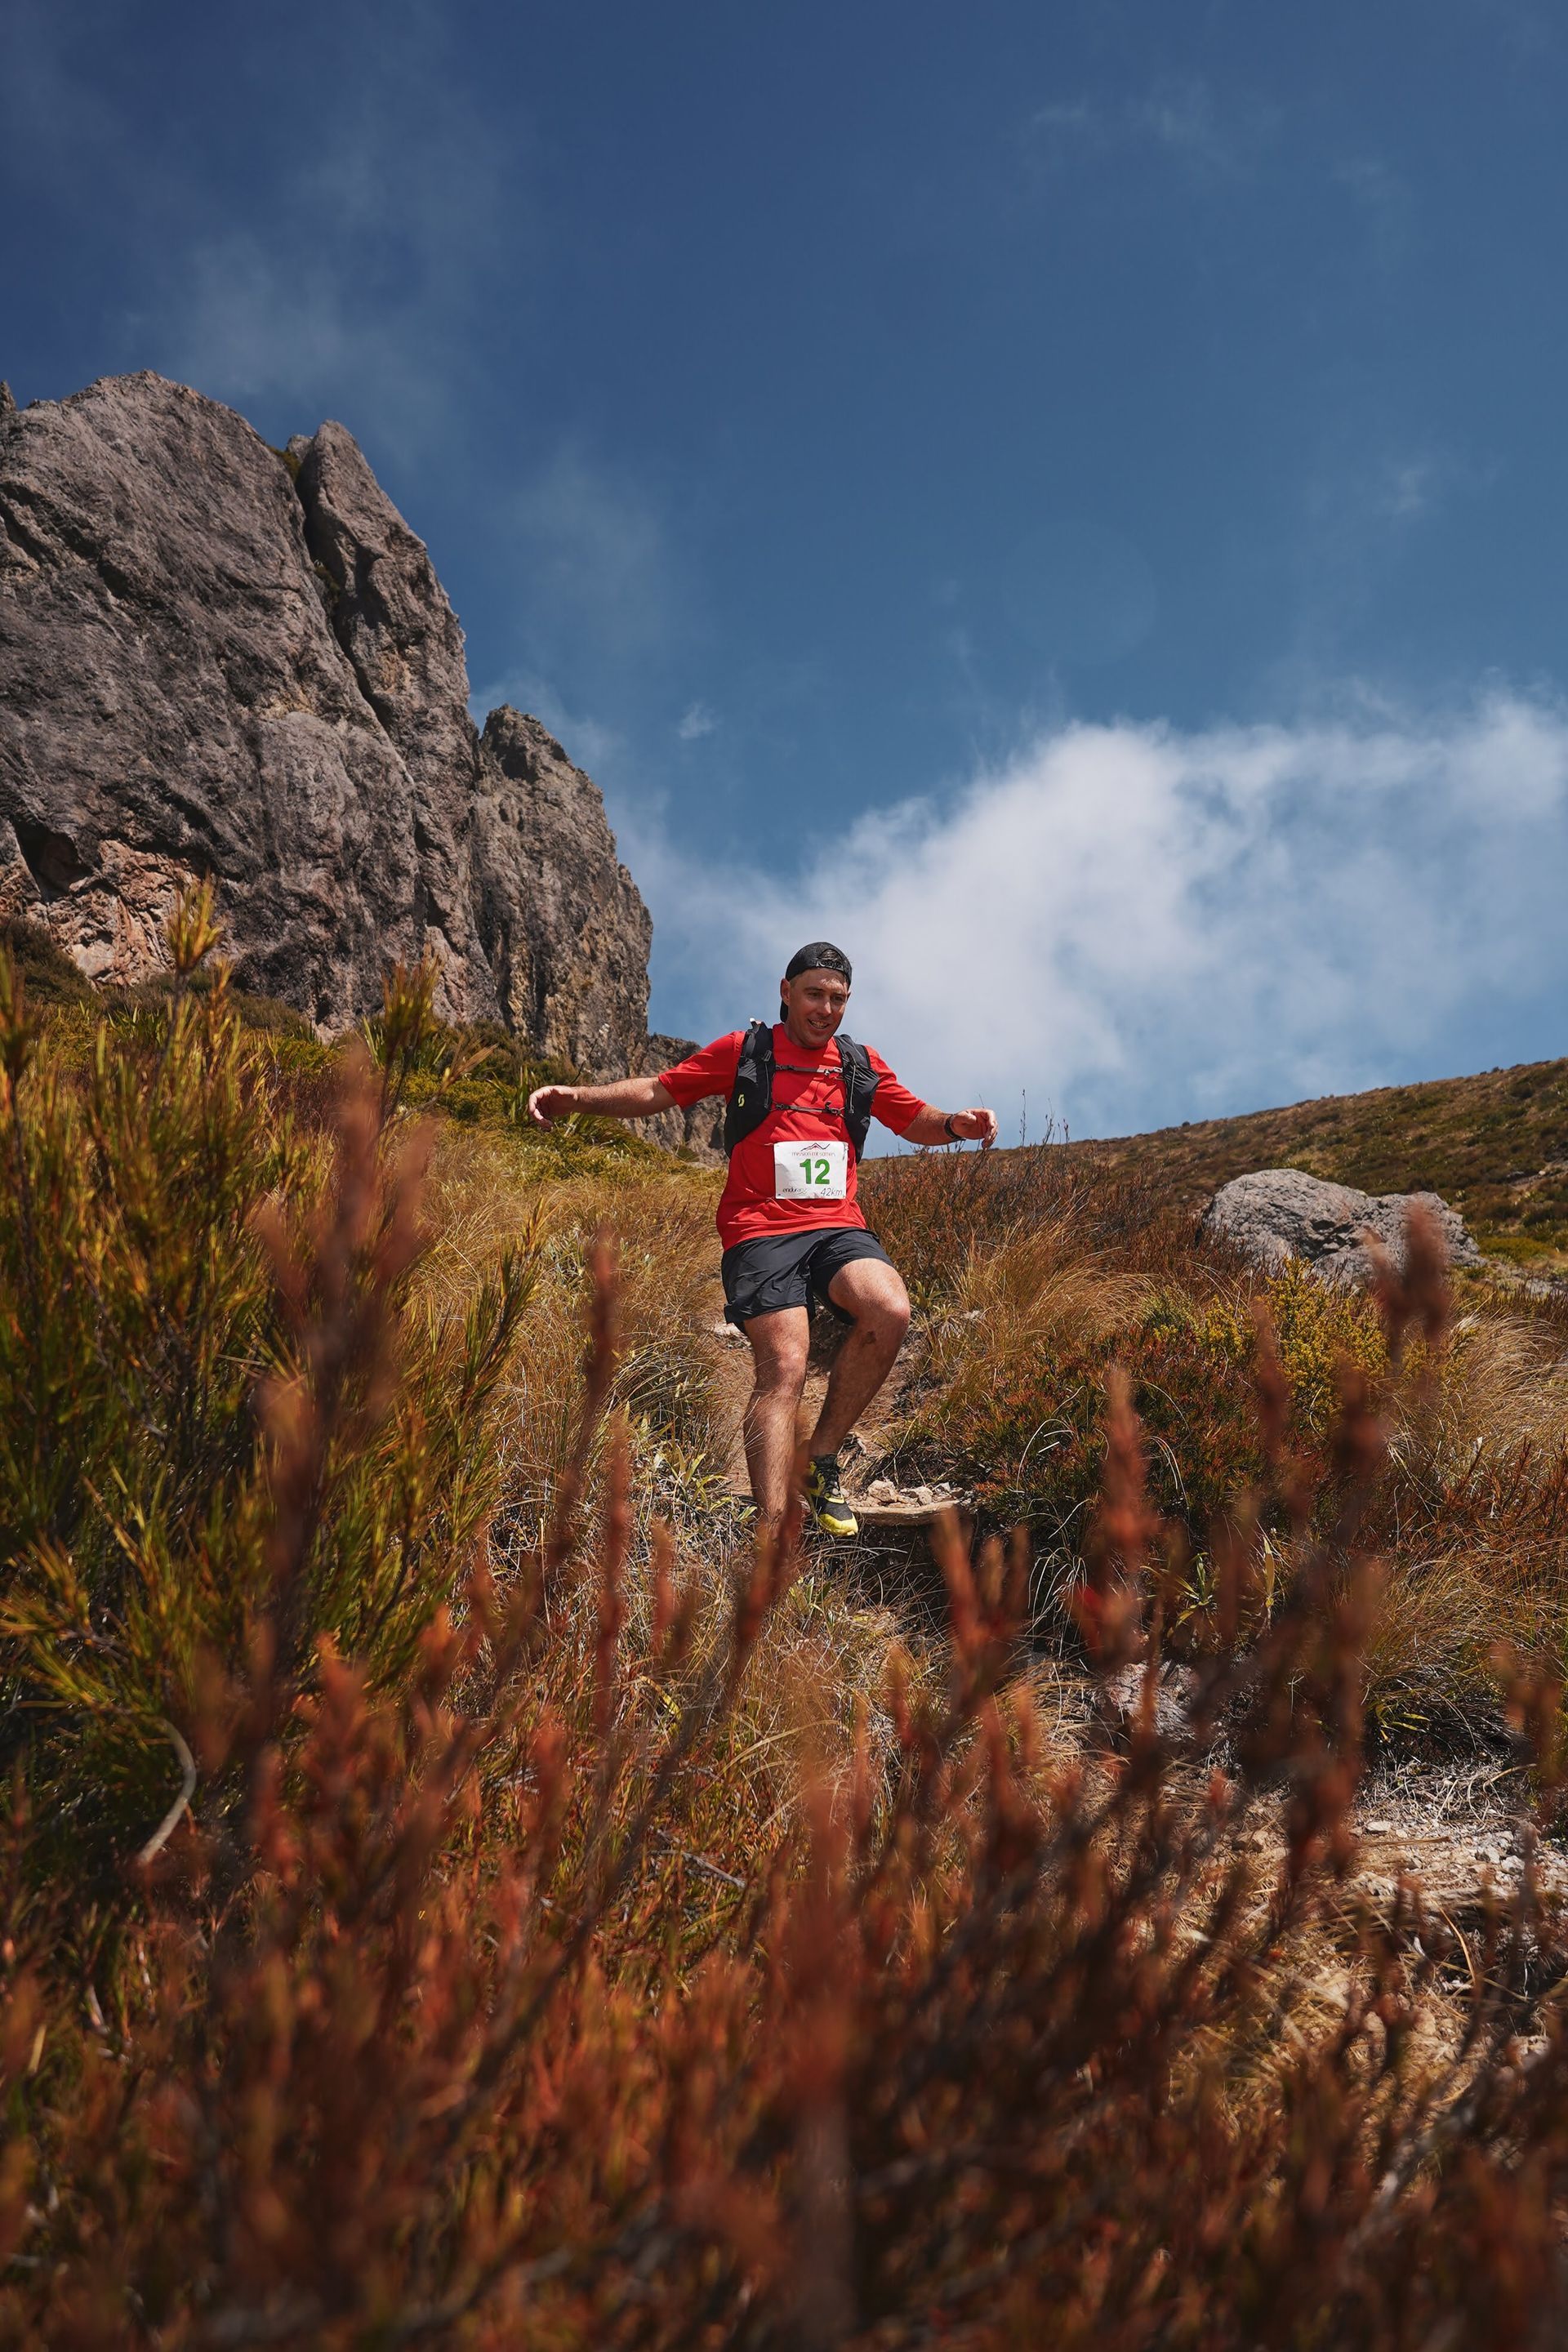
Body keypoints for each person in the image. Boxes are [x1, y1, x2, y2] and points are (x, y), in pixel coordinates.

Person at [528, 942, 997, 1536]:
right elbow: (658, 1092)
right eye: (814, 994)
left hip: (837, 1227)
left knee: (890, 1307)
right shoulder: (745, 1051)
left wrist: (956, 1124)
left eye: (838, 999)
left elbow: (914, 1119)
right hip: (761, 1230)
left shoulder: (858, 1064)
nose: (826, 1009)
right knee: (786, 1366)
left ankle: (821, 1458)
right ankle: (775, 1530)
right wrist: (575, 1100)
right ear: (785, 991)